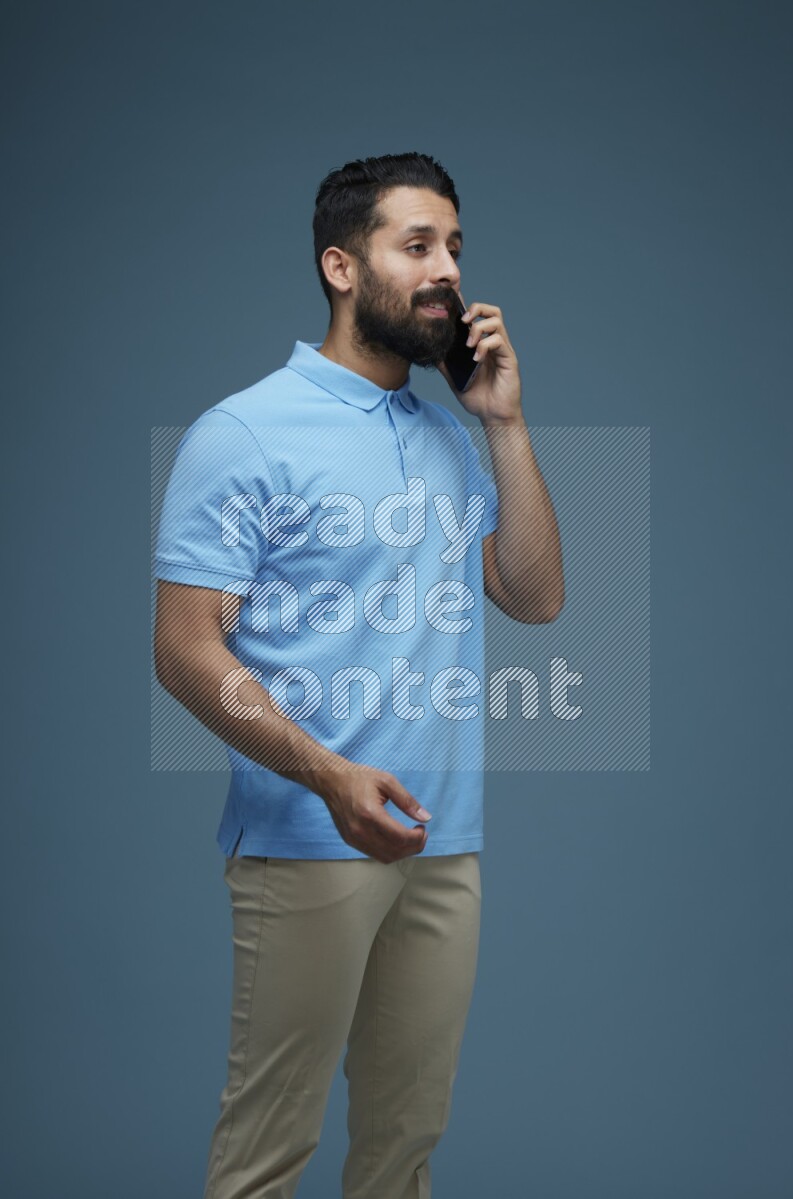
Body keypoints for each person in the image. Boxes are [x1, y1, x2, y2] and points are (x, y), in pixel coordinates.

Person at [153, 151, 564, 1199]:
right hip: (305, 838)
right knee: (265, 1152)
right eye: (415, 245)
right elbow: (185, 647)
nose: (446, 271)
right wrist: (327, 774)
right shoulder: (242, 432)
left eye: (455, 247)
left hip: (444, 835)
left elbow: (534, 594)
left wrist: (502, 423)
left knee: (402, 1146)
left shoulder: (445, 436)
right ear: (341, 266)